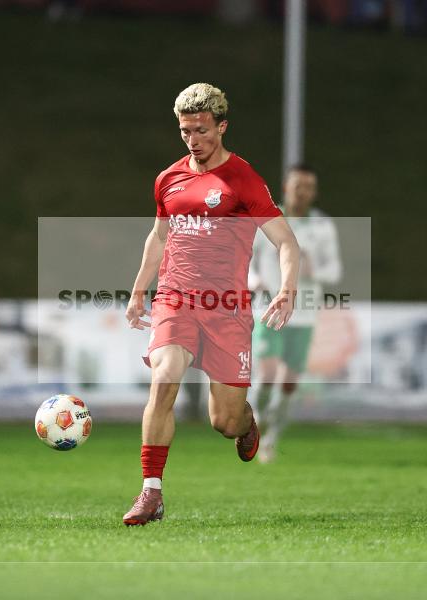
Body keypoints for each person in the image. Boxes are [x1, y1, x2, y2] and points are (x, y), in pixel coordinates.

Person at [122, 83, 300, 526]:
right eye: (185, 132)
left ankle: (246, 421)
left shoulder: (243, 180)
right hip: (176, 299)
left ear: (222, 127)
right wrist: (140, 288)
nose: (193, 140)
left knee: (223, 421)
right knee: (164, 377)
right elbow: (160, 236)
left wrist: (287, 287)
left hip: (227, 308)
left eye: (201, 130)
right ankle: (151, 493)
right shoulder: (168, 179)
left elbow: (285, 241)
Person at [248, 165, 342, 463]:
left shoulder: (321, 225)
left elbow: (335, 270)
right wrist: (255, 281)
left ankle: (272, 437)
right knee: (267, 374)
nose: (303, 192)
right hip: (269, 309)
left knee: (288, 383)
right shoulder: (267, 217)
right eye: (298, 185)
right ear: (286, 187)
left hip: (304, 314)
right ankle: (254, 422)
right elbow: (246, 258)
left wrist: (317, 269)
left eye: (309, 187)